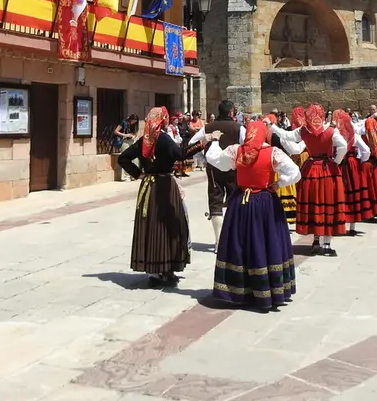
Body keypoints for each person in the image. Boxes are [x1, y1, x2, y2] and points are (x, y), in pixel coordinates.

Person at [204, 121, 300, 310]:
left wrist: (215, 141)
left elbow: (214, 160)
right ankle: (267, 290)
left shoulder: (236, 151)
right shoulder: (273, 152)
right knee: (266, 241)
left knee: (240, 243)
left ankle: (240, 289)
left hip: (241, 202)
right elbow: (295, 173)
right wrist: (279, 184)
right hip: (265, 202)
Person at [117, 107, 190, 287]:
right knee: (169, 225)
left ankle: (155, 270)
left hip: (148, 186)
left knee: (151, 224)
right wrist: (200, 143)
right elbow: (180, 155)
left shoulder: (144, 140)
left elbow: (123, 158)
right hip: (165, 185)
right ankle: (167, 269)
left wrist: (138, 173)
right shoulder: (164, 139)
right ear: (163, 120)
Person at [270, 104, 348, 256]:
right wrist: (336, 161)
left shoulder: (304, 131)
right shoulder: (331, 131)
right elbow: (343, 145)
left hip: (311, 168)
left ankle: (316, 240)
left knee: (315, 204)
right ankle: (326, 244)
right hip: (327, 170)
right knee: (328, 204)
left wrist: (272, 126)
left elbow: (286, 136)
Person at [185, 100, 246, 250]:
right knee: (235, 200)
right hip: (233, 168)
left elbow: (192, 143)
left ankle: (219, 242)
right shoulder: (239, 128)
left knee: (215, 201)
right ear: (231, 112)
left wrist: (203, 158)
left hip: (213, 169)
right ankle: (235, 239)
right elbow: (246, 146)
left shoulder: (207, 127)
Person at [332, 110, 372, 234]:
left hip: (337, 164)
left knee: (338, 193)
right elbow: (366, 151)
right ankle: (352, 227)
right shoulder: (354, 135)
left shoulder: (333, 134)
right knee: (352, 192)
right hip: (351, 164)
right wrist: (360, 161)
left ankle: (338, 223)